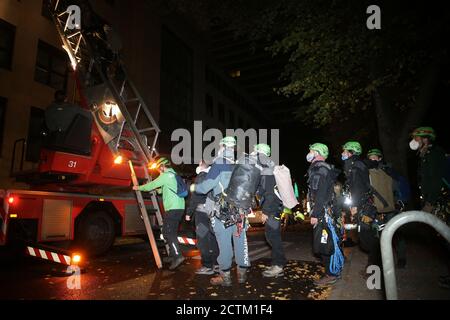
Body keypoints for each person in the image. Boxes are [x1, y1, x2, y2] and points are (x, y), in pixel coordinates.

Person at [191, 136, 251, 286]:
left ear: (223, 147)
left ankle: (225, 277)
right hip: (240, 211)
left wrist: (194, 187)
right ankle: (242, 275)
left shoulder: (219, 163)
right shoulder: (239, 164)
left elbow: (206, 187)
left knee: (224, 244)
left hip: (222, 211)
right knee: (240, 241)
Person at [409, 127, 449, 289]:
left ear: (425, 139)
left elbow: (435, 181)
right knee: (443, 237)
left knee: (446, 236)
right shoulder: (425, 155)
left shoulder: (433, 154)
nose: (413, 142)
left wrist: (430, 203)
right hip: (438, 201)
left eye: (416, 138)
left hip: (443, 202)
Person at [133, 157, 186, 270]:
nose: (158, 170)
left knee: (168, 233)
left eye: (158, 168)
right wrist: (159, 189)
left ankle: (178, 256)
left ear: (162, 166)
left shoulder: (165, 176)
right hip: (179, 207)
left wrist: (138, 187)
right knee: (170, 232)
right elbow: (162, 190)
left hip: (172, 208)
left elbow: (150, 185)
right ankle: (172, 255)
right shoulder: (174, 174)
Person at [306, 143, 342, 286]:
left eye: (311, 151)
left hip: (322, 213)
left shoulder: (319, 169)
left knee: (324, 244)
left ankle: (330, 274)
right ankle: (333, 271)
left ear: (317, 153)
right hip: (327, 211)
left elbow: (320, 194)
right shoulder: (323, 168)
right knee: (328, 242)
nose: (309, 153)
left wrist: (315, 213)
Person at [366, 148, 407, 268]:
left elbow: (400, 186)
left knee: (396, 233)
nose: (372, 160)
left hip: (392, 208)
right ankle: (375, 263)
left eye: (375, 157)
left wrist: (400, 201)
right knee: (375, 236)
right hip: (375, 210)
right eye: (370, 158)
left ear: (380, 159)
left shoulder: (389, 171)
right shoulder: (366, 173)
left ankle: (401, 258)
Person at [342, 141, 380, 269]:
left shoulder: (356, 165)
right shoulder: (355, 164)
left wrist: (355, 206)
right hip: (366, 205)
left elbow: (357, 187)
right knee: (368, 236)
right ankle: (374, 263)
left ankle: (375, 266)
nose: (343, 153)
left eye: (345, 150)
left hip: (365, 206)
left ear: (351, 152)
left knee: (367, 238)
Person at [253, 144, 286, 278]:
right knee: (271, 237)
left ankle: (278, 265)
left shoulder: (268, 171)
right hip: (273, 208)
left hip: (272, 210)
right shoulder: (268, 168)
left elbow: (270, 194)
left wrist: (265, 212)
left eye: (255, 153)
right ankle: (277, 263)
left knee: (273, 237)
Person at [185, 161, 219, 275]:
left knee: (203, 239)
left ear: (201, 166)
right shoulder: (213, 175)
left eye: (199, 164)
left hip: (202, 214)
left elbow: (195, 196)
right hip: (213, 213)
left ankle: (207, 266)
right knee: (213, 238)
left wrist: (189, 212)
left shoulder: (200, 177)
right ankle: (217, 264)